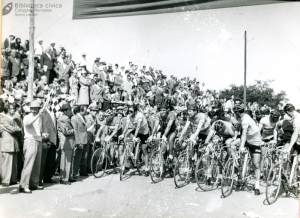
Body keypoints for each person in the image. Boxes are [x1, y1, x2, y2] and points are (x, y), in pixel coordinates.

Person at [233, 104, 262, 195]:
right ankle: (238, 167)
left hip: (255, 141)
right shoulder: (243, 117)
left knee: (256, 164)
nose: (234, 114)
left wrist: (241, 147)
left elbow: (244, 134)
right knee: (232, 145)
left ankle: (257, 186)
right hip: (247, 139)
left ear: (237, 112)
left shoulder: (245, 119)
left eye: (235, 112)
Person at [19, 100, 48, 193]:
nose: (34, 110)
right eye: (33, 108)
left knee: (36, 164)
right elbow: (28, 123)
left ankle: (33, 183)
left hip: (38, 140)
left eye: (36, 108)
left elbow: (37, 130)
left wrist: (42, 134)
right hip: (30, 141)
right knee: (28, 164)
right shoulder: (27, 117)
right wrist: (38, 115)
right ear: (30, 109)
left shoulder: (39, 117)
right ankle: (23, 185)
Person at [119, 104, 150, 176]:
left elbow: (138, 126)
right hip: (137, 131)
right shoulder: (129, 115)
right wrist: (123, 134)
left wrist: (134, 137)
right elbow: (127, 126)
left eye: (131, 111)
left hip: (144, 132)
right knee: (127, 134)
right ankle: (130, 158)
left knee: (144, 149)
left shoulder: (139, 115)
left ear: (135, 112)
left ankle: (147, 169)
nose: (129, 112)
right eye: (128, 111)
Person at [0, 103, 22, 187]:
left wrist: (16, 129)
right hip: (7, 143)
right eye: (13, 109)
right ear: (8, 110)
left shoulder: (12, 119)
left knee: (13, 163)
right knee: (6, 163)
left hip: (13, 143)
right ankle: (5, 180)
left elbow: (18, 129)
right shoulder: (3, 119)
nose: (14, 110)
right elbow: (13, 129)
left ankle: (12, 179)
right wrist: (16, 129)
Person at [57, 103, 77, 184]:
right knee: (65, 161)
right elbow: (66, 132)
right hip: (66, 142)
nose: (70, 111)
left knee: (69, 161)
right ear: (64, 111)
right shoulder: (62, 119)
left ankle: (68, 176)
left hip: (69, 142)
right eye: (69, 110)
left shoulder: (67, 118)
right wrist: (74, 130)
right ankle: (64, 178)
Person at [71, 105, 88, 177]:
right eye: (85, 111)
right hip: (80, 141)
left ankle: (80, 171)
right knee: (77, 158)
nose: (86, 112)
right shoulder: (74, 118)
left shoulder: (83, 117)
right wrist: (78, 142)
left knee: (83, 157)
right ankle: (74, 173)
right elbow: (75, 131)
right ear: (80, 111)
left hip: (84, 139)